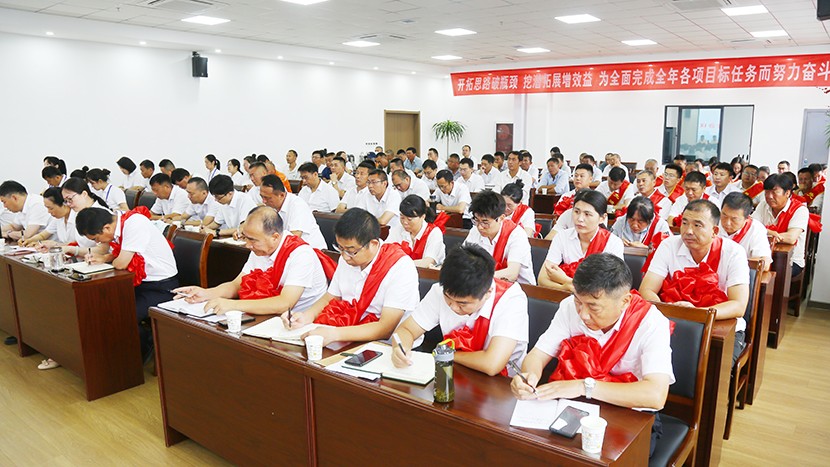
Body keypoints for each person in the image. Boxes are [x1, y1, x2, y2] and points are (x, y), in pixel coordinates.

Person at [512, 254, 673, 430]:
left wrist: (584, 387)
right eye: (578, 302)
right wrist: (529, 376)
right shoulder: (569, 306)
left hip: (629, 414)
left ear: (625, 301)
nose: (583, 314)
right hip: (574, 405)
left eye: (593, 307)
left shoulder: (651, 323)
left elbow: (655, 395)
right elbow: (538, 355)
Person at [282, 208, 420, 346]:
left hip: (387, 345)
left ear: (373, 244)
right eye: (340, 248)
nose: (344, 256)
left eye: (351, 251)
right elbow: (331, 297)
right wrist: (307, 316)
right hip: (346, 332)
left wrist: (334, 334)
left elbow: (385, 329)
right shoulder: (348, 257)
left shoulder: (400, 267)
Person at [639, 199, 750, 363]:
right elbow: (646, 290)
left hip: (719, 326)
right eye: (684, 223)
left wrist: (695, 314)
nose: (688, 231)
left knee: (714, 368)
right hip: (670, 319)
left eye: (697, 225)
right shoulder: (668, 245)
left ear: (714, 231)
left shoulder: (734, 253)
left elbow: (738, 305)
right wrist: (672, 312)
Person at [392, 244, 528, 376]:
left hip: (501, 382)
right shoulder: (442, 290)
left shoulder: (511, 299)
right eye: (448, 298)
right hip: (454, 371)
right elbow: (407, 329)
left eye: (462, 303)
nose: (453, 307)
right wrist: (401, 349)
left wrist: (445, 354)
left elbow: (492, 364)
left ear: (487, 292)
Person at [174, 206, 328, 315]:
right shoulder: (260, 248)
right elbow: (237, 284)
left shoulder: (300, 254)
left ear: (275, 237)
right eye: (246, 238)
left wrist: (233, 305)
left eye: (253, 240)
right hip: (271, 315)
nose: (248, 245)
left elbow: (284, 304)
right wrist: (207, 293)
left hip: (301, 319)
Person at [76, 206, 178, 364]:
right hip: (141, 284)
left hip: (161, 287)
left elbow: (121, 263)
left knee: (122, 315)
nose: (98, 243)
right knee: (104, 308)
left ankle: (143, 349)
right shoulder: (121, 224)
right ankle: (114, 354)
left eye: (96, 238)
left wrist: (110, 259)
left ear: (107, 228)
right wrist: (104, 258)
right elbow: (120, 255)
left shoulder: (134, 223)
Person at [540, 190, 624, 291]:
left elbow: (611, 287)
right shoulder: (562, 237)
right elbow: (542, 279)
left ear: (602, 218)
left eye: (587, 214)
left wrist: (565, 280)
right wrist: (564, 287)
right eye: (576, 212)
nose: (580, 219)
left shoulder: (613, 243)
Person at [463, 190, 536, 285]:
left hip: (518, 287)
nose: (480, 227)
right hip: (484, 284)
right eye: (476, 220)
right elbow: (462, 257)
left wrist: (478, 277)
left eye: (485, 222)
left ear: (501, 218)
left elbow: (512, 273)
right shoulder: (475, 231)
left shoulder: (516, 234)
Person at [752, 174, 812, 277]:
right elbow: (751, 227)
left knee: (770, 274)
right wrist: (770, 233)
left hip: (791, 260)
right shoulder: (763, 205)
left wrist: (762, 232)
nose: (769, 196)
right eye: (767, 192)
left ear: (787, 193)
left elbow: (790, 238)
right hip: (763, 254)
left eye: (774, 192)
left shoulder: (799, 210)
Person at [259, 174, 327, 250]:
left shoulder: (297, 205)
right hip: (290, 249)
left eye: (267, 198)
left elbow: (294, 239)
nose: (263, 201)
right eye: (262, 196)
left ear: (281, 195)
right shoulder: (271, 207)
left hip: (312, 252)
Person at [387, 194, 446, 267]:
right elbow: (386, 251)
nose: (405, 222)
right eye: (402, 217)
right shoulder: (397, 228)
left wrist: (400, 265)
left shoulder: (434, 233)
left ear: (423, 217)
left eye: (409, 219)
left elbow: (428, 262)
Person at [719, 192, 772, 269]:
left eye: (734, 219)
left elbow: (765, 264)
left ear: (747, 218)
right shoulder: (713, 222)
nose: (727, 223)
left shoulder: (756, 229)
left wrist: (733, 262)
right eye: (724, 215)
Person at [60, 177, 111, 256]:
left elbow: (103, 249)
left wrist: (72, 249)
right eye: (66, 201)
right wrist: (56, 246)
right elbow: (80, 243)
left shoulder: (100, 214)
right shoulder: (78, 212)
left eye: (70, 199)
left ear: (84, 194)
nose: (68, 204)